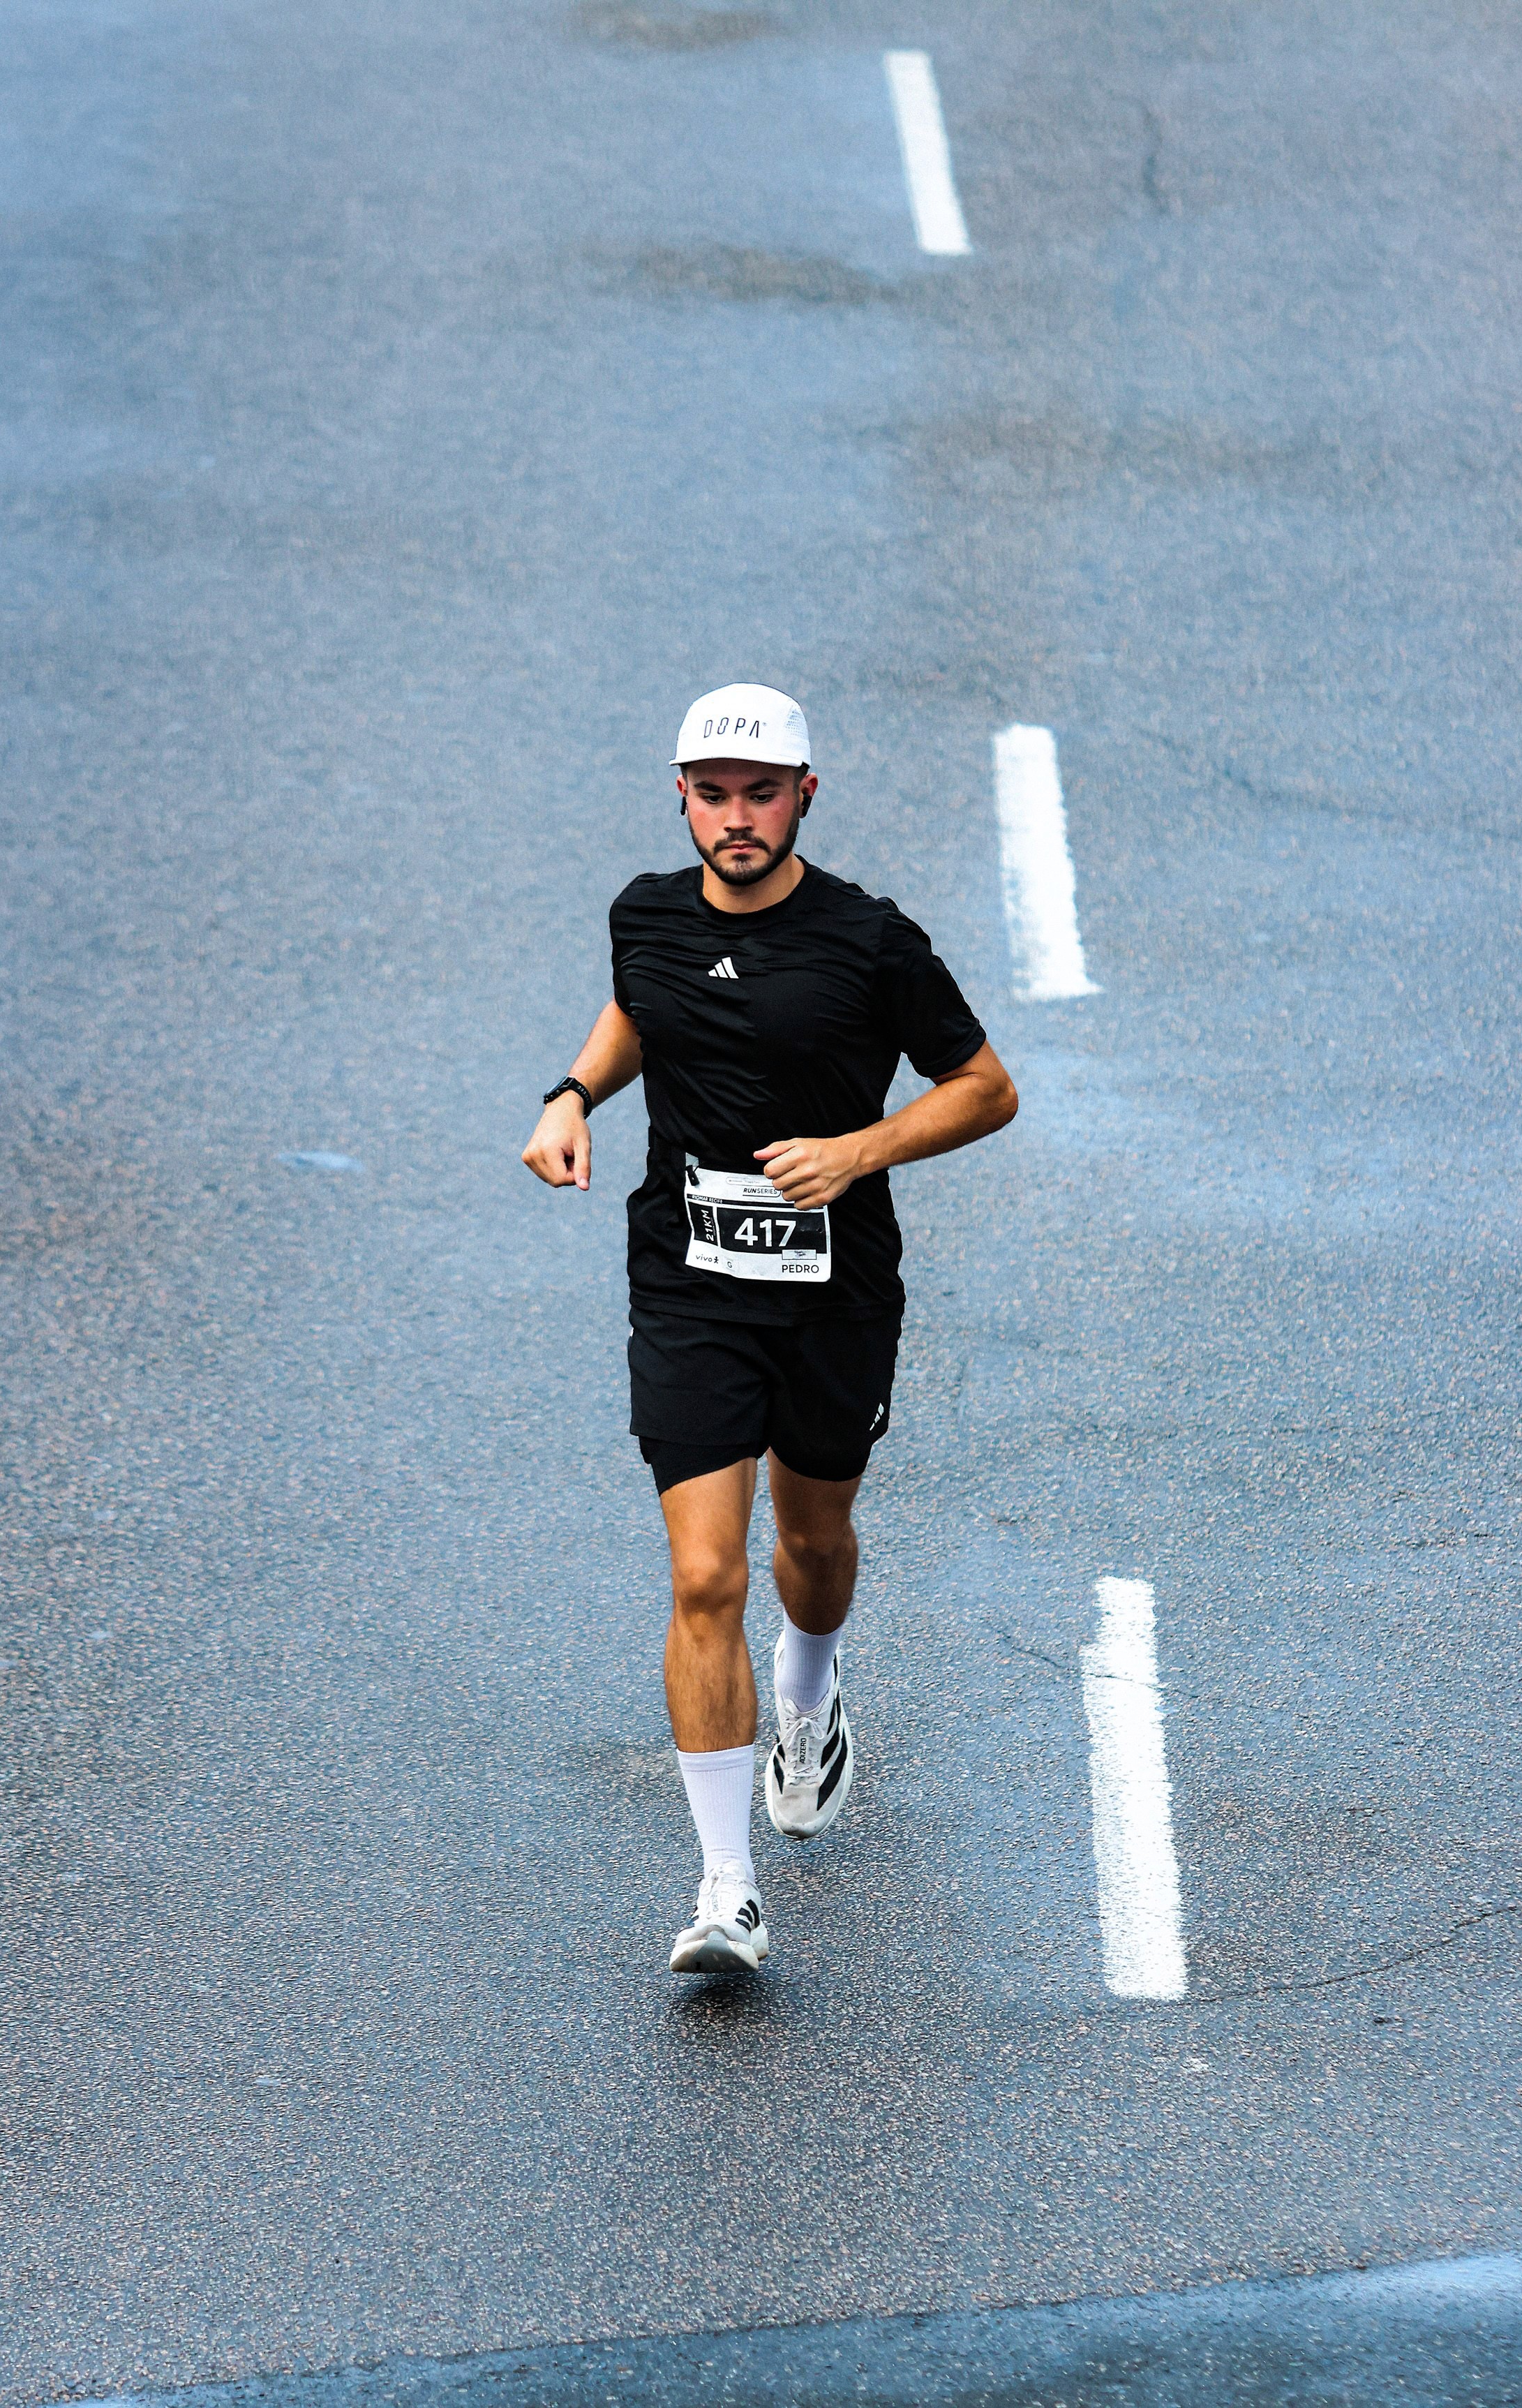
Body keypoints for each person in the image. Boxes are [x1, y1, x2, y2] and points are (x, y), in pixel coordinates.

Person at [522, 683, 1017, 1975]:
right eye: (712, 792)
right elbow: (647, 1001)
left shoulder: (870, 942)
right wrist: (574, 1092)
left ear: (806, 795)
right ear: (679, 795)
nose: (735, 817)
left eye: (761, 792)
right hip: (688, 1283)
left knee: (812, 1539)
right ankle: (727, 1887)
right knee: (703, 1574)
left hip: (836, 1288)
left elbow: (986, 1088)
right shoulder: (644, 910)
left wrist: (864, 1146)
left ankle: (810, 1692)